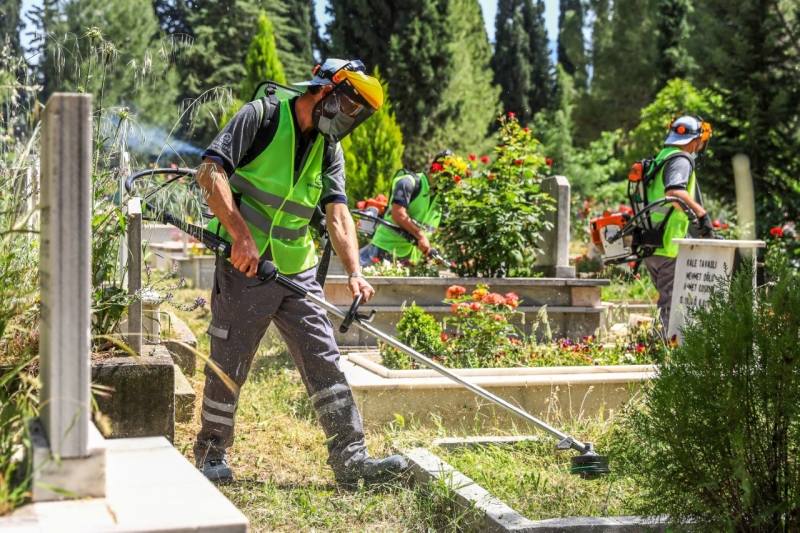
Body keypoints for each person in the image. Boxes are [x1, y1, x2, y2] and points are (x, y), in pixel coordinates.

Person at [193, 58, 407, 486]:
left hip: (298, 272)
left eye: (358, 113)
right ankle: (210, 453)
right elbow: (209, 172)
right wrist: (240, 235)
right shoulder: (262, 116)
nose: (351, 118)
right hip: (246, 266)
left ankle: (351, 460)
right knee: (229, 360)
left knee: (324, 359)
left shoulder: (330, 149)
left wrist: (354, 271)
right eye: (349, 106)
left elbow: (339, 214)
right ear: (324, 91)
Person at [645, 115, 715, 332]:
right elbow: (674, 192)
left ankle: (667, 348)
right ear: (695, 139)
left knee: (671, 300)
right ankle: (670, 356)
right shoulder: (680, 159)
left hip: (652, 243)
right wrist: (702, 216)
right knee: (673, 304)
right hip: (669, 244)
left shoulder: (660, 158)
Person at [359, 150, 449, 265]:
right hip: (386, 248)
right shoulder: (409, 182)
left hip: (412, 256)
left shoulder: (441, 196)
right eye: (447, 174)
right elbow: (398, 214)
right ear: (435, 168)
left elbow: (441, 228)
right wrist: (421, 236)